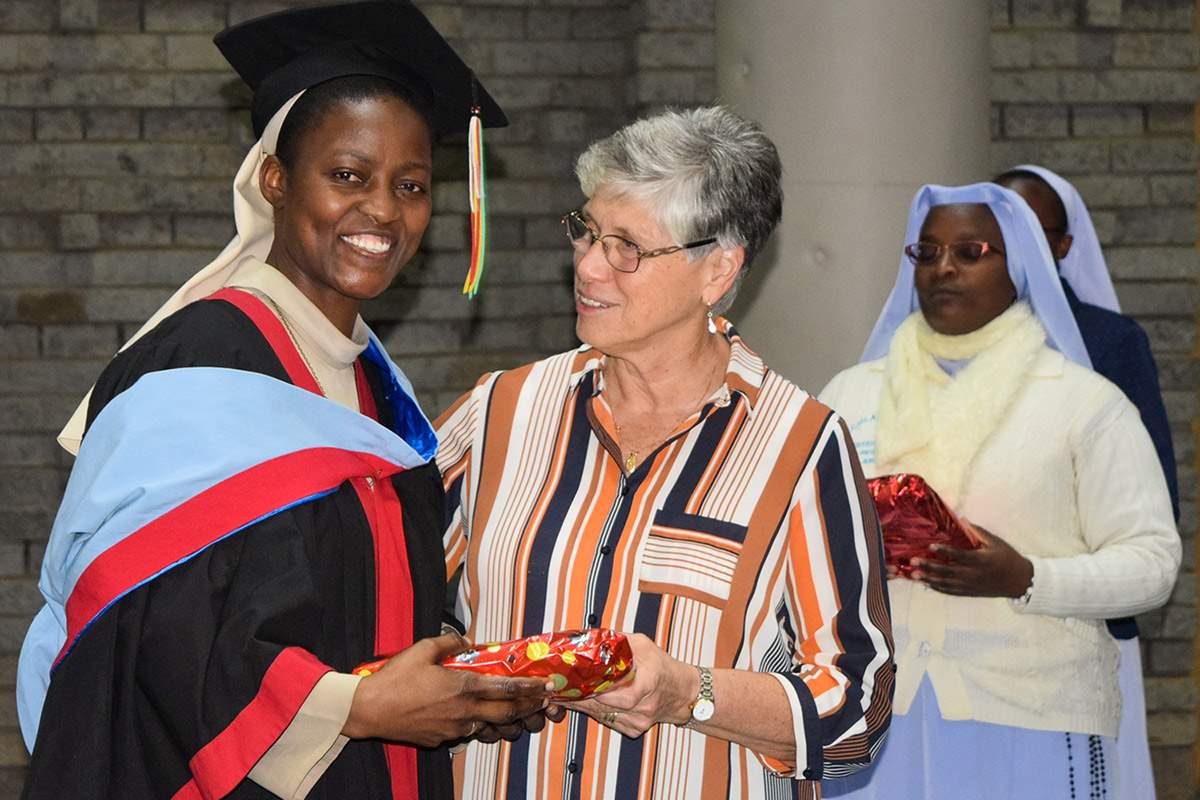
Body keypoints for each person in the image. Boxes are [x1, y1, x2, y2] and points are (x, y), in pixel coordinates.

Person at [16, 4, 552, 798]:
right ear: (274, 179)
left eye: (410, 185)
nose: (383, 211)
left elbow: (345, 598)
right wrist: (359, 705)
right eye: (348, 176)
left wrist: (461, 683)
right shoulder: (195, 365)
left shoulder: (372, 384)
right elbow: (148, 629)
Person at [435, 106, 894, 800]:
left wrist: (687, 692)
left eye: (628, 247)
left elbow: (857, 712)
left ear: (717, 270)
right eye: (586, 231)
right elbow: (392, 596)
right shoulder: (499, 411)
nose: (588, 267)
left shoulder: (799, 446)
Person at [818, 183, 1180, 799]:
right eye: (926, 253)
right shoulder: (849, 395)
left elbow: (1152, 564)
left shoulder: (1082, 402)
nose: (944, 268)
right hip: (875, 707)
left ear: (1020, 265)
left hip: (1031, 713)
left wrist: (1026, 576)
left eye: (971, 250)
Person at [995, 165, 1173, 800]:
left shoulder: (1111, 341)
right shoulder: (934, 342)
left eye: (1034, 232)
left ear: (1066, 246)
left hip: (1077, 620)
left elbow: (1155, 496)